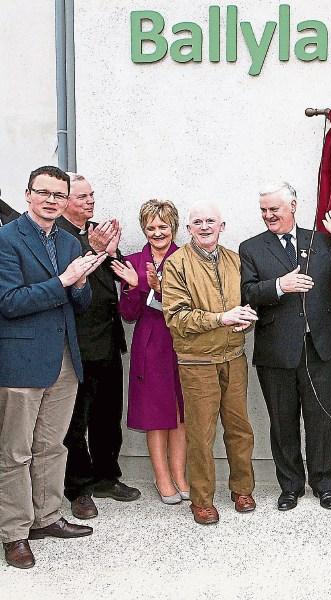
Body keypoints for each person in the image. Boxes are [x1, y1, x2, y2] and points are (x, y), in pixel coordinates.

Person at [0, 165, 106, 569]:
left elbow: (80, 305)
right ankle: (14, 532)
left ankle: (46, 517)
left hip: (64, 359)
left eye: (59, 195)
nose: (51, 200)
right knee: (15, 452)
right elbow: (9, 302)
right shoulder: (6, 239)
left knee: (51, 445)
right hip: (20, 362)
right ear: (28, 194)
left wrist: (79, 285)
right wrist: (63, 281)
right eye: (43, 192)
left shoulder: (67, 241)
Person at [240, 181, 331, 511]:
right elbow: (247, 292)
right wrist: (280, 285)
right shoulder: (251, 248)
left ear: (292, 206)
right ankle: (290, 487)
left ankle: (324, 485)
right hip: (276, 350)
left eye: (274, 209)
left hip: (319, 347)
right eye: (263, 210)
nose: (268, 215)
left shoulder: (319, 240)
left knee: (321, 420)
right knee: (283, 422)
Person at [161, 201, 258, 525]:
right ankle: (202, 500)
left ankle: (242, 489)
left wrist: (246, 318)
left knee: (240, 429)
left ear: (222, 226)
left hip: (234, 357)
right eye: (198, 222)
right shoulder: (176, 264)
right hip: (197, 361)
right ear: (188, 229)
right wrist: (221, 318)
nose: (205, 227)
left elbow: (246, 301)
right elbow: (176, 318)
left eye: (211, 221)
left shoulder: (234, 260)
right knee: (201, 435)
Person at [56, 173, 139, 520]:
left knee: (108, 416)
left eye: (92, 195)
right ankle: (78, 489)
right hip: (76, 344)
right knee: (76, 422)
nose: (90, 201)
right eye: (82, 197)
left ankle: (107, 477)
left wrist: (112, 252)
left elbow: (121, 275)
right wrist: (94, 250)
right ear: (64, 201)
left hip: (108, 340)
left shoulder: (98, 231)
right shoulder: (56, 236)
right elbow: (68, 281)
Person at [110, 199, 187, 504]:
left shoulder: (186, 258)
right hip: (152, 343)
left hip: (183, 342)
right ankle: (162, 477)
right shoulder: (132, 262)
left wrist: (156, 288)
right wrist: (133, 286)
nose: (157, 232)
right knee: (156, 412)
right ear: (144, 229)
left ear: (173, 228)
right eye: (151, 227)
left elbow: (191, 304)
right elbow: (128, 314)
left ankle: (180, 474)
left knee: (181, 411)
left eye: (163, 226)